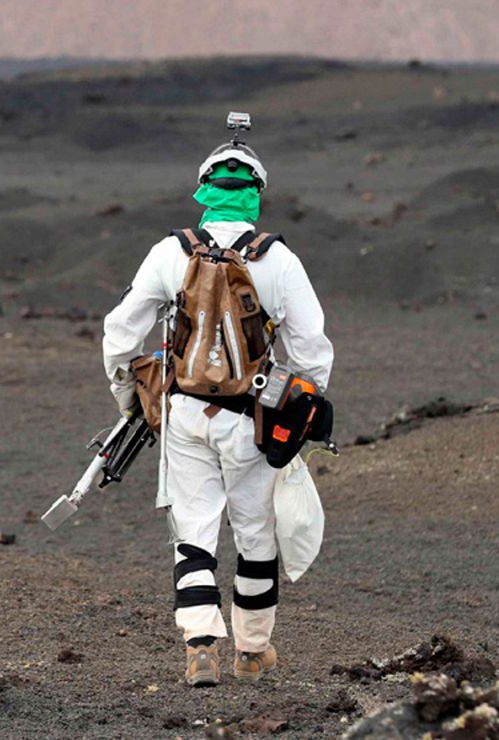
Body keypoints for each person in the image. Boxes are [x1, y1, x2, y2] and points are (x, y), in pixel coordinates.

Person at [102, 132, 333, 687]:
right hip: (252, 418)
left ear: (204, 189)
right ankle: (252, 651)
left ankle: (200, 647)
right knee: (255, 532)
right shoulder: (279, 260)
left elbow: (119, 333)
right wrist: (300, 410)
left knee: (193, 528)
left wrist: (129, 396)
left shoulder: (169, 252)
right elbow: (312, 350)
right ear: (258, 193)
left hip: (183, 415)